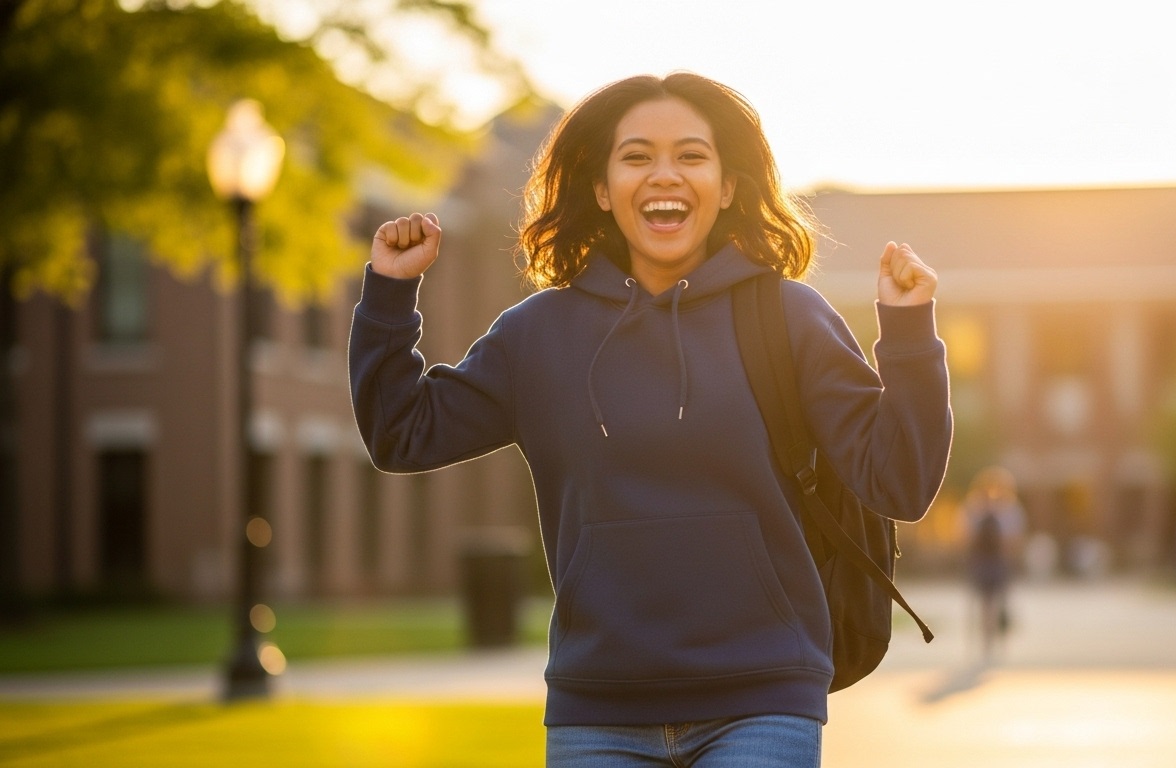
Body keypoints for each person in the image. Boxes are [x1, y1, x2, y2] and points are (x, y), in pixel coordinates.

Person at [350, 72, 953, 767]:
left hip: (762, 700)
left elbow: (900, 481)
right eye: (636, 156)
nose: (664, 174)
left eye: (691, 155)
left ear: (726, 187)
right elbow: (402, 432)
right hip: (597, 712)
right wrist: (390, 294)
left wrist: (908, 334)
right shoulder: (538, 334)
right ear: (603, 190)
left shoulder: (788, 318)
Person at [962, 466, 1025, 662]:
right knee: (992, 602)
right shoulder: (1008, 509)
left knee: (992, 603)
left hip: (989, 560)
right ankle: (991, 641)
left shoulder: (975, 508)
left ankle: (992, 640)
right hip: (991, 560)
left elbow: (965, 535)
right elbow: (1015, 537)